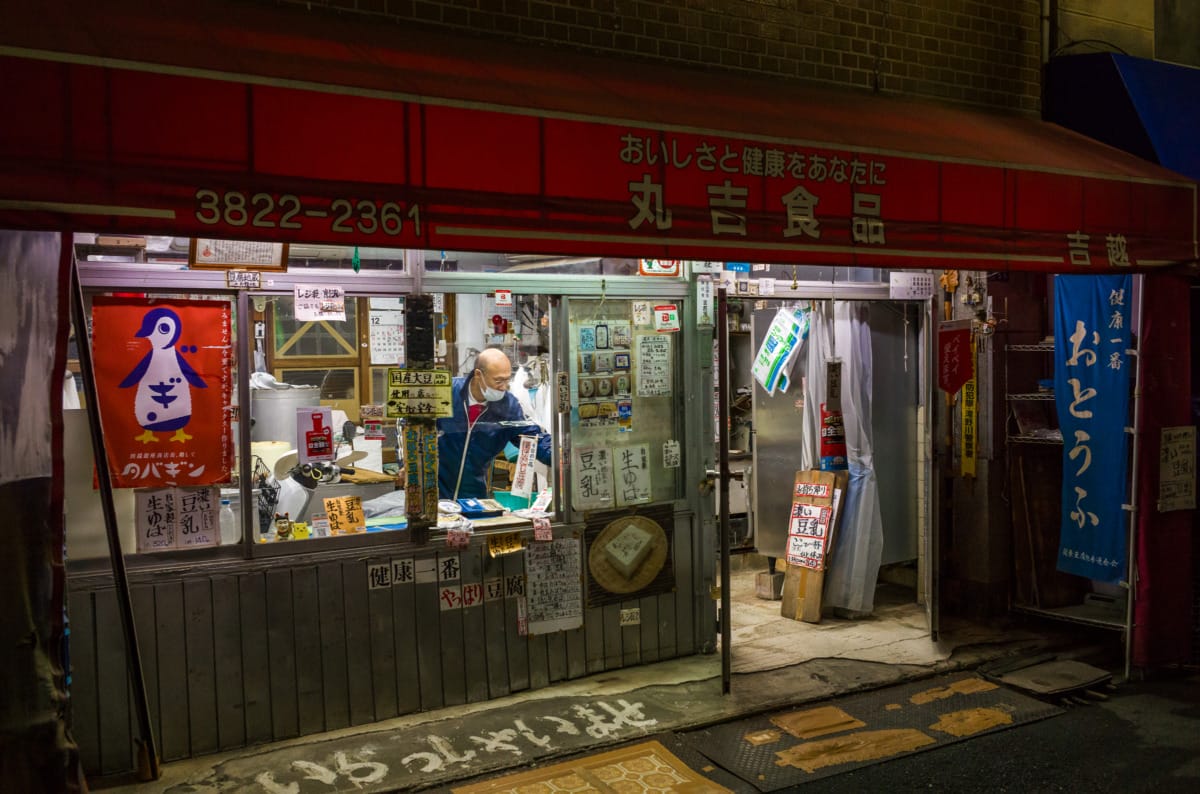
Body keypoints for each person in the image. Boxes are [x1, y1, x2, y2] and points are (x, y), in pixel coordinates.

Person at [437, 348, 551, 499]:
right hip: (434, 491)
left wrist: (558, 456)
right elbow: (411, 425)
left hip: (474, 494)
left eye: (506, 380)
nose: (504, 387)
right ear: (478, 375)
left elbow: (533, 437)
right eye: (498, 381)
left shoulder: (508, 406)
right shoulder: (445, 392)